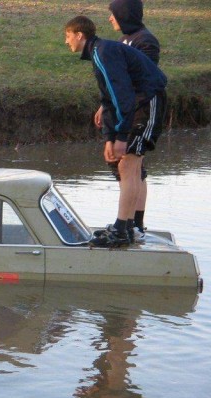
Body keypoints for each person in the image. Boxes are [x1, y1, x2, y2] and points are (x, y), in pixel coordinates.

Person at [64, 16, 167, 247]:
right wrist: (109, 138)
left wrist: (121, 137)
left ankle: (124, 230)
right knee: (125, 165)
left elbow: (122, 97)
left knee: (129, 164)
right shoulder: (99, 52)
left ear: (79, 35)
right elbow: (108, 98)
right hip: (138, 103)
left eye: (67, 35)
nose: (66, 41)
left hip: (149, 101)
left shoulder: (103, 51)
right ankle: (126, 227)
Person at [93, 0, 161, 240]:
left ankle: (131, 225)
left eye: (113, 15)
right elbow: (118, 79)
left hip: (143, 106)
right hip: (128, 106)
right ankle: (131, 223)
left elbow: (143, 78)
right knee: (132, 167)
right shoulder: (123, 40)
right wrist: (106, 104)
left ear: (124, 14)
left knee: (130, 165)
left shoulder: (146, 40)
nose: (110, 19)